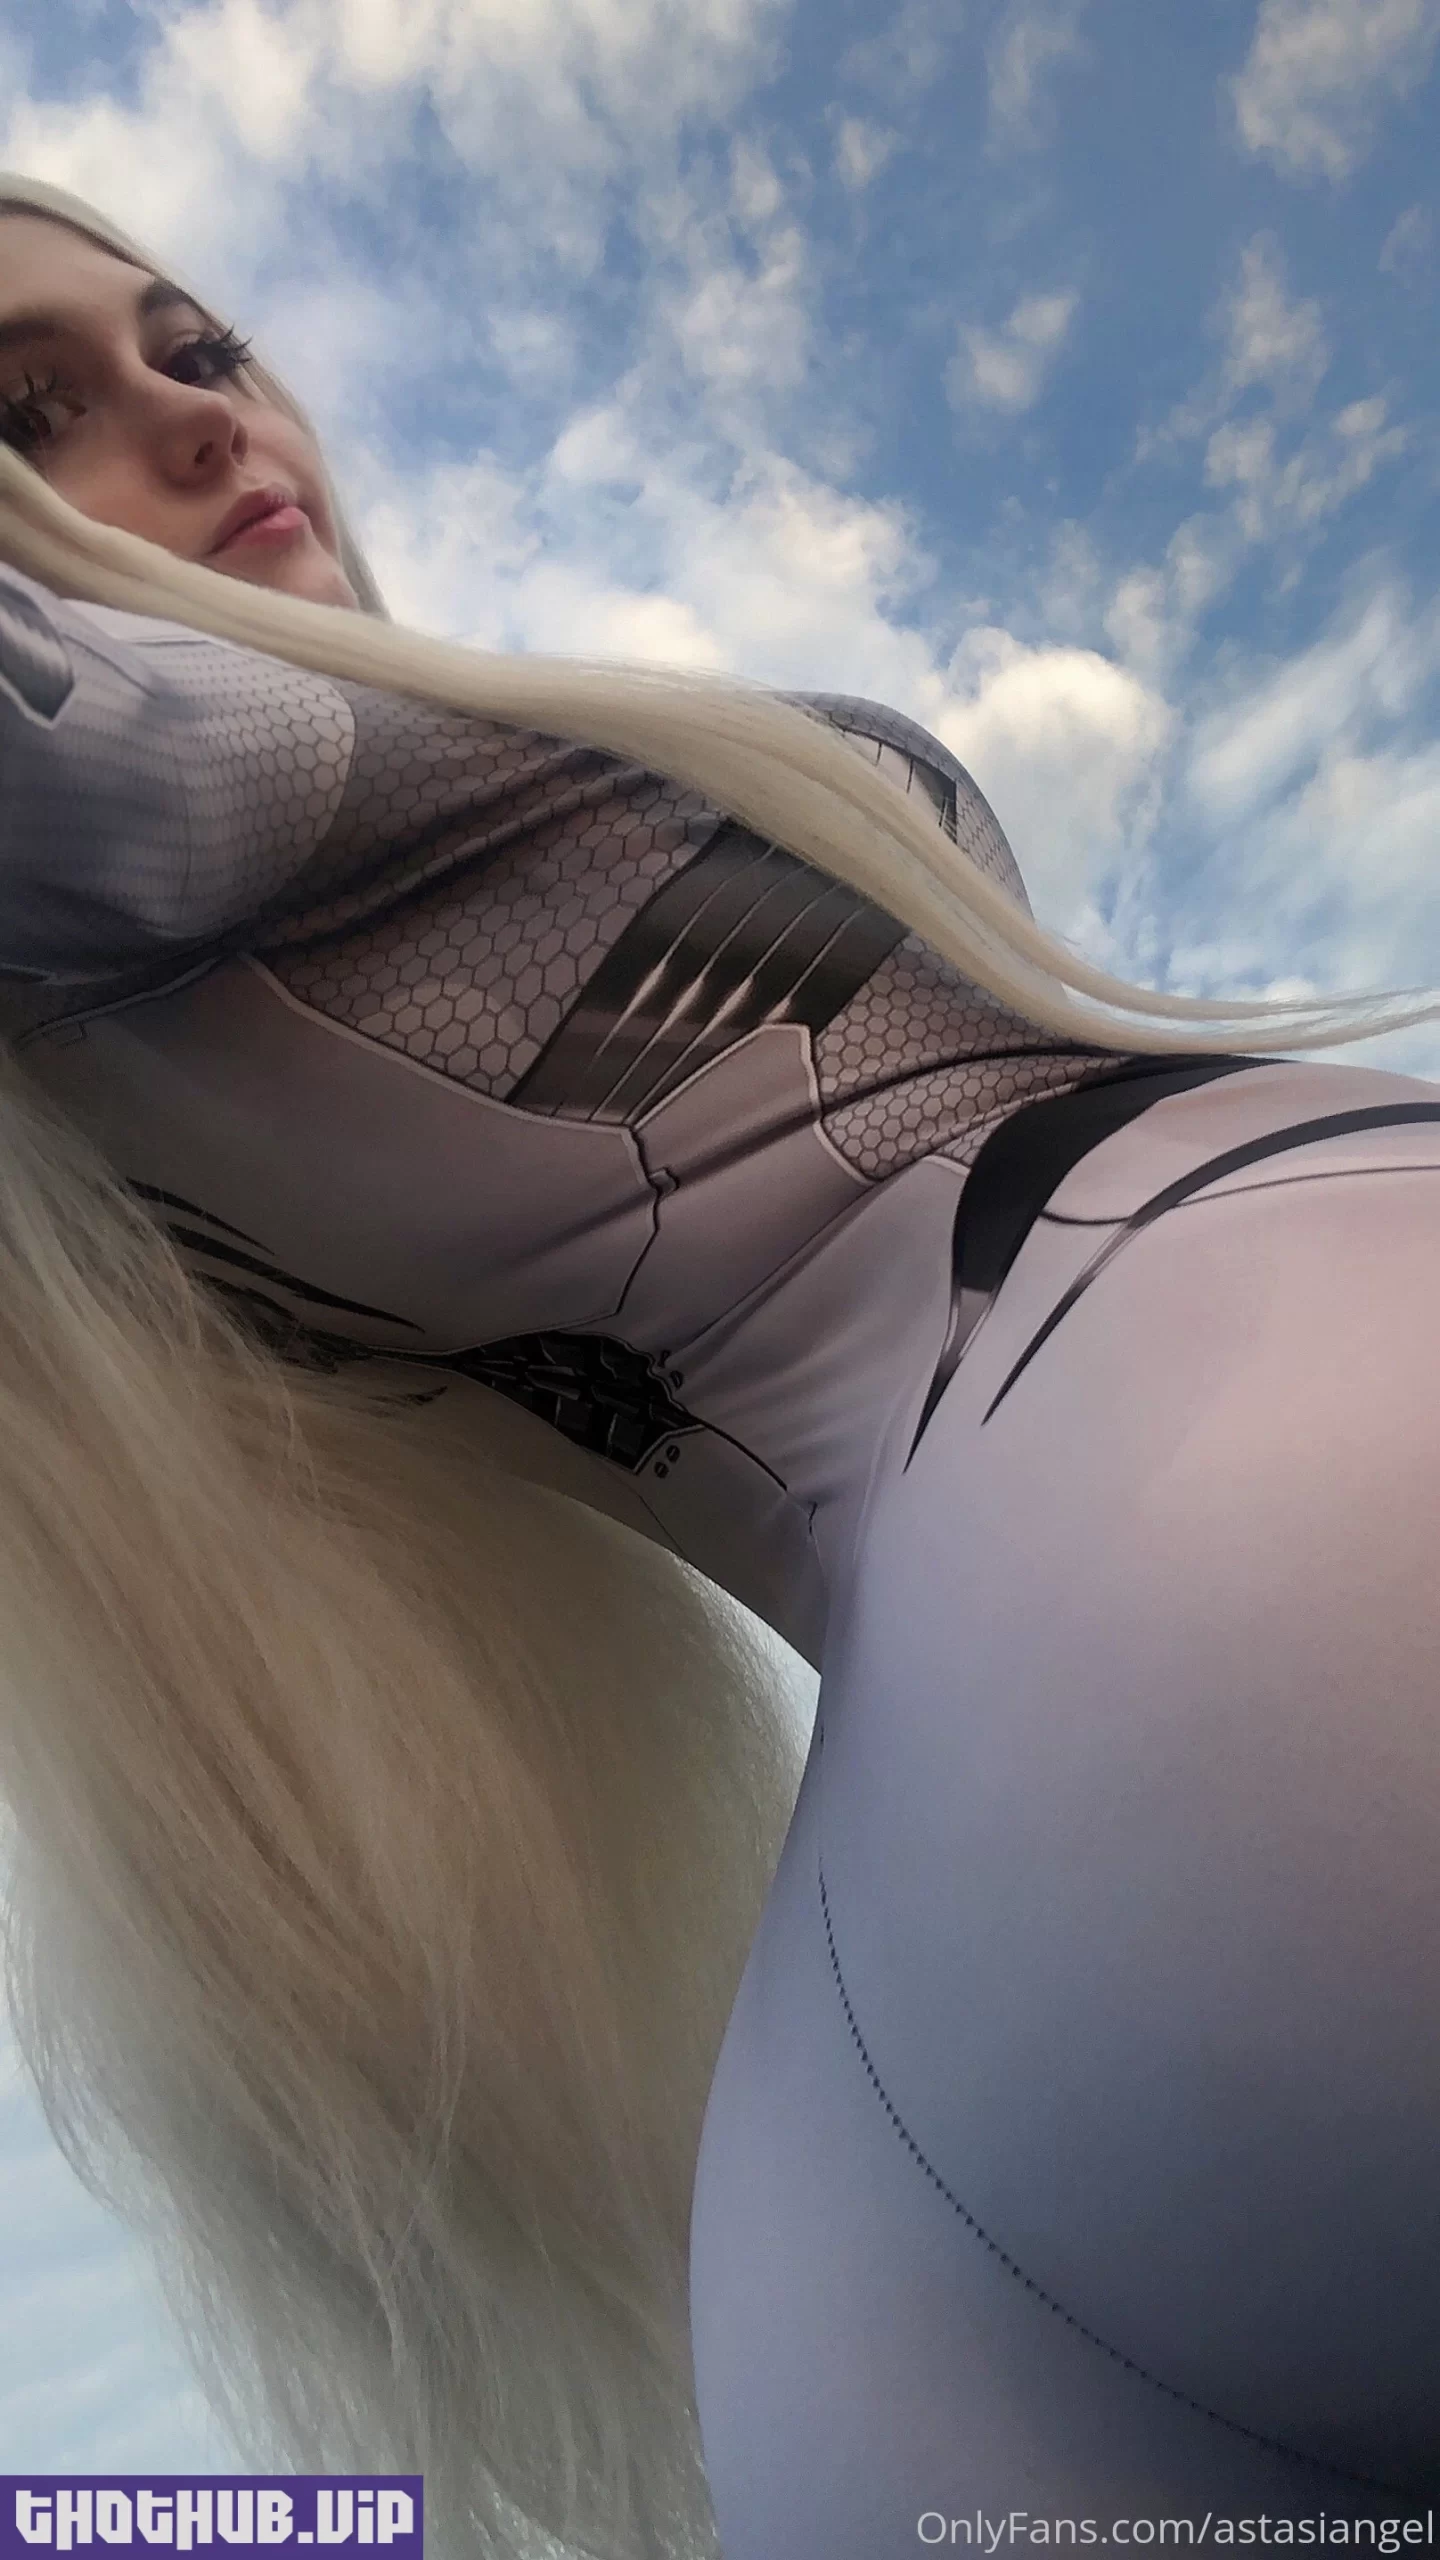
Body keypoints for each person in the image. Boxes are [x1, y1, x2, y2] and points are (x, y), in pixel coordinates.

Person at [0, 175, 1438, 2560]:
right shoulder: (145, 791)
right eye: (33, 412)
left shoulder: (249, 903)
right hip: (1232, 1502)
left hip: (892, 2148)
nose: (196, 411)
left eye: (197, 343)